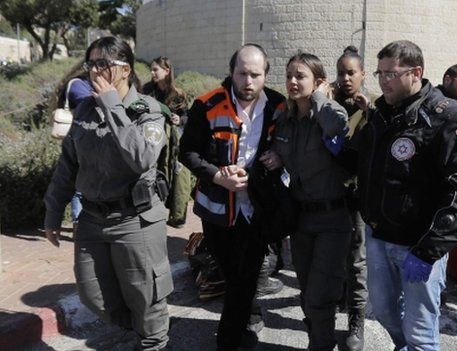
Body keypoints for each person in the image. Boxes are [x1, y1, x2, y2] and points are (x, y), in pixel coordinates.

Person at [44, 36, 173, 351]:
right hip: (92, 220)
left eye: (103, 64)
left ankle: (152, 339)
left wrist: (113, 105)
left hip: (135, 220)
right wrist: (52, 212)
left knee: (147, 297)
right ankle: (141, 326)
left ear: (125, 70)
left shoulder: (149, 111)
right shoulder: (85, 109)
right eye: (91, 63)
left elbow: (141, 158)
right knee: (92, 295)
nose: (94, 71)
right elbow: (67, 166)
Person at [356, 40, 457, 351]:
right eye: (379, 73)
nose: (383, 80)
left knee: (421, 333)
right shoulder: (380, 114)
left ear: (416, 73)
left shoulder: (447, 117)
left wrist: (429, 251)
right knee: (383, 312)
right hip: (379, 237)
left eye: (391, 73)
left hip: (420, 245)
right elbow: (367, 167)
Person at [179, 43, 286, 350]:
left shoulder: (278, 106)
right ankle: (249, 314)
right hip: (217, 211)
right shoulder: (207, 104)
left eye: (255, 74)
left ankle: (230, 340)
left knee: (246, 278)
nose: (248, 82)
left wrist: (279, 155)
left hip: (257, 209)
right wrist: (217, 176)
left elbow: (288, 143)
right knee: (231, 275)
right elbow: (188, 151)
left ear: (265, 75)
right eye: (242, 74)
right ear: (231, 72)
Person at [261, 51, 351, 351]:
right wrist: (276, 158)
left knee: (320, 295)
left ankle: (321, 345)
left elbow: (337, 129)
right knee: (306, 292)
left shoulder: (329, 112)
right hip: (300, 220)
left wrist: (320, 99)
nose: (292, 81)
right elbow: (281, 152)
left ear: (319, 81)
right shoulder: (284, 118)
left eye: (300, 76)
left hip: (332, 220)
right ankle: (318, 339)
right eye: (289, 75)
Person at [332, 45, 373, 351]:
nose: (346, 78)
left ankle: (355, 322)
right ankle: (336, 299)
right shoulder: (330, 103)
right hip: (328, 191)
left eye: (351, 73)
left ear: (362, 74)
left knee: (357, 261)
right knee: (331, 255)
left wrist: (370, 112)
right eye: (341, 73)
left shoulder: (373, 107)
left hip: (356, 194)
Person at [142, 56, 193, 228]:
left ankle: (176, 216)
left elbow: (188, 117)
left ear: (167, 71)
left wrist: (180, 119)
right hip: (150, 142)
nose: (152, 73)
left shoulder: (177, 94)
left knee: (176, 178)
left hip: (173, 144)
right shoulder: (147, 90)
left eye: (156, 69)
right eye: (152, 69)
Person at [55, 62, 93, 230]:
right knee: (79, 184)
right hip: (77, 140)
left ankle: (81, 222)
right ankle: (78, 223)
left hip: (83, 139)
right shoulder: (77, 85)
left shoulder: (83, 84)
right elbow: (90, 103)